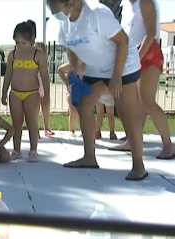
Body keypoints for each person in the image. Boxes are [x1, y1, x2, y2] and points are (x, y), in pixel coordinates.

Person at [47, 0, 146, 180]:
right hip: (96, 68)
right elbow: (71, 47)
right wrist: (76, 69)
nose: (53, 11)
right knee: (84, 106)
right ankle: (89, 157)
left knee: (126, 112)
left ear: (69, 2)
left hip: (123, 65)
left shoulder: (96, 13)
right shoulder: (65, 25)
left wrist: (116, 76)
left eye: (54, 7)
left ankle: (139, 165)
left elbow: (123, 41)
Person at [109, 0, 174, 159]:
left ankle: (168, 145)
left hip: (148, 53)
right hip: (135, 54)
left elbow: (150, 33)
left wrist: (137, 58)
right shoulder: (130, 7)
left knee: (147, 101)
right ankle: (132, 141)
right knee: (136, 104)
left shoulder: (145, 2)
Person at [1, 20, 50, 162]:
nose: (20, 46)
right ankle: (16, 150)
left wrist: (46, 95)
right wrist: (4, 92)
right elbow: (8, 74)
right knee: (16, 123)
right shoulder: (13, 55)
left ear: (32, 40)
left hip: (32, 93)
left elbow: (45, 76)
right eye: (17, 43)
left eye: (23, 43)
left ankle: (33, 150)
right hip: (15, 92)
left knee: (32, 123)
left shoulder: (38, 55)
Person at [34, 42, 54, 137]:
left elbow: (46, 77)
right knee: (35, 109)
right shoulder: (32, 64)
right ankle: (35, 129)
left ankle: (47, 127)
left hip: (43, 87)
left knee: (46, 107)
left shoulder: (44, 64)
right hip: (35, 88)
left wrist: (47, 91)